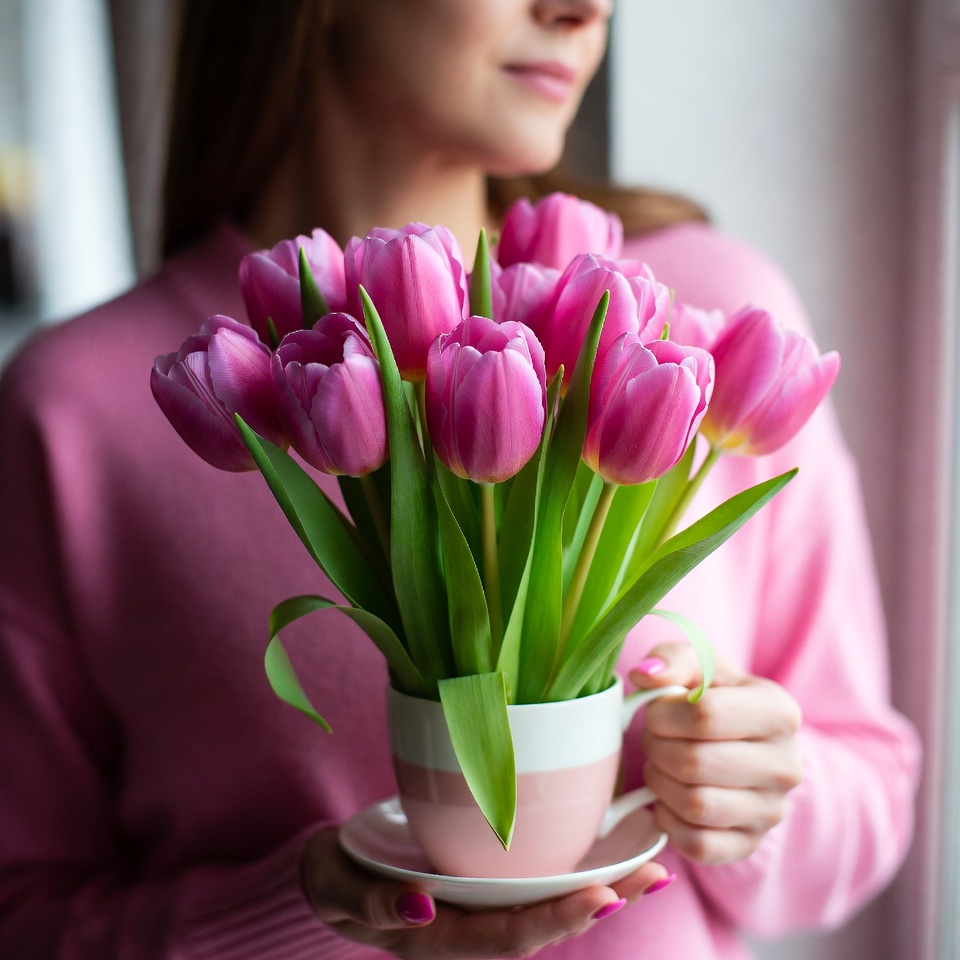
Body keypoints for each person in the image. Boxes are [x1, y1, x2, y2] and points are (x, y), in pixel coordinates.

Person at [0, 1, 920, 957]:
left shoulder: (696, 330)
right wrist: (305, 911)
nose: (584, 9)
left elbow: (871, 793)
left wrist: (756, 799)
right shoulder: (80, 409)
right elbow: (25, 918)